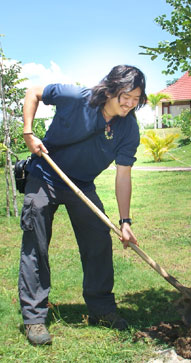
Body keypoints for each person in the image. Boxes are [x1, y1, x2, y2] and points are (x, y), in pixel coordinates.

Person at [19, 65, 147, 345]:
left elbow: (123, 174)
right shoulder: (77, 97)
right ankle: (34, 318)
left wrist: (125, 222)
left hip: (83, 185)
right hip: (46, 174)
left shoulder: (128, 128)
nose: (130, 103)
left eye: (136, 98)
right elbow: (34, 92)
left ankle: (101, 308)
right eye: (126, 95)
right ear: (111, 88)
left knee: (99, 240)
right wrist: (29, 132)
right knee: (36, 242)